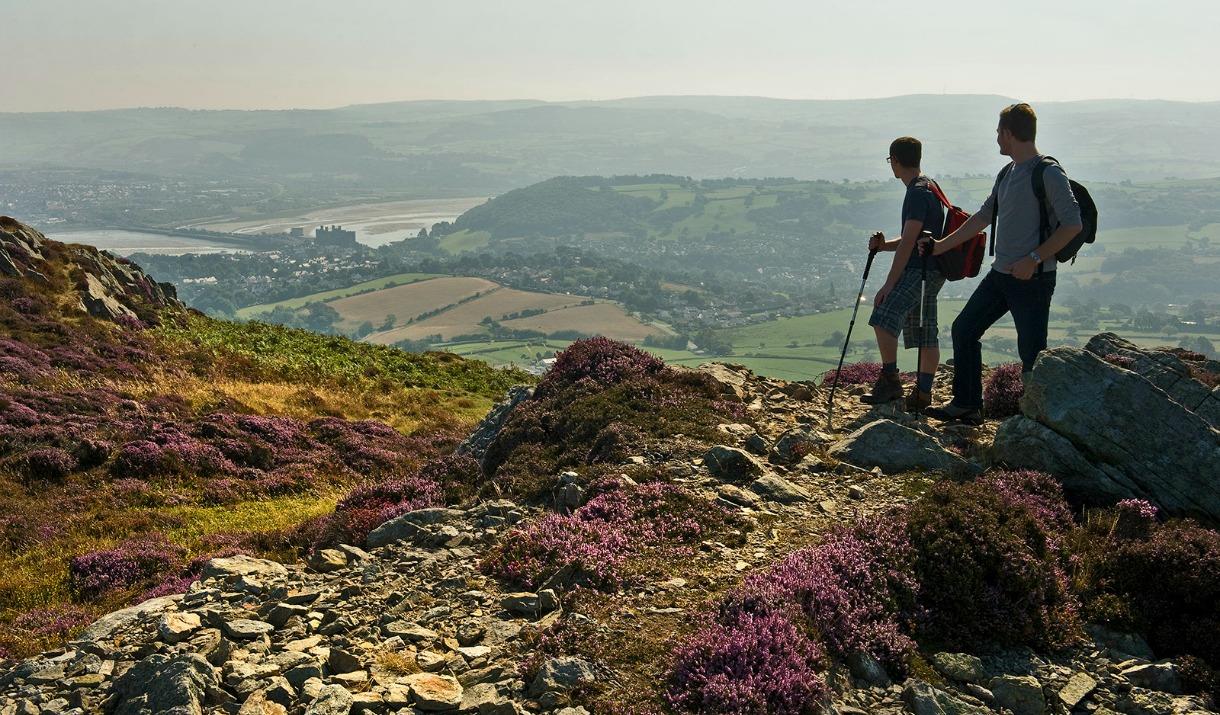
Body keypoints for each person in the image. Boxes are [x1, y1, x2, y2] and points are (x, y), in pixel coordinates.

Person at [920, 103, 1083, 423]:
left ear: (1008, 133)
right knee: (964, 329)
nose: (996, 138)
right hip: (1001, 275)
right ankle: (967, 404)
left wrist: (1035, 259)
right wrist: (941, 247)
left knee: (1032, 352)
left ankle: (1038, 421)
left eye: (998, 132)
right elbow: (982, 217)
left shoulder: (1048, 172)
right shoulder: (1006, 173)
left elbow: (1073, 224)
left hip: (1033, 278)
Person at [860, 136, 946, 412]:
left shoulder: (917, 193)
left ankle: (891, 380)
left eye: (890, 161)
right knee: (926, 332)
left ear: (895, 160)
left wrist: (888, 285)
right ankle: (922, 393)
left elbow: (909, 241)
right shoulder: (930, 186)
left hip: (918, 269)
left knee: (883, 316)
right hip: (934, 269)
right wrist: (885, 246)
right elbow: (915, 236)